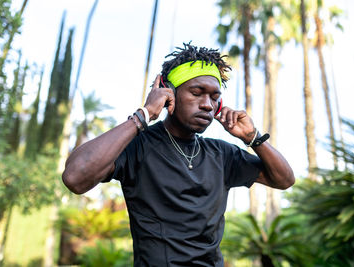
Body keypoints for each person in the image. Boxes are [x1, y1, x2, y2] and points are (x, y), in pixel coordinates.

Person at [62, 43, 295, 266]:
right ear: (169, 93)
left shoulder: (222, 154)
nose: (207, 104)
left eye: (214, 98)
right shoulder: (137, 146)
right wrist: (143, 115)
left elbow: (284, 179)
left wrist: (253, 138)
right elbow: (75, 177)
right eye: (197, 92)